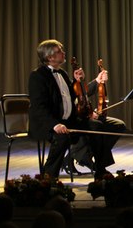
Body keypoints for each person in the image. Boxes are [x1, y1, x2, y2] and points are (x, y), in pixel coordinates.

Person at [28, 39, 121, 179]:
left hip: (68, 121)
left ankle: (100, 170)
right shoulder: (37, 76)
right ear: (50, 57)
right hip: (48, 124)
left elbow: (72, 97)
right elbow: (38, 107)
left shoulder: (63, 73)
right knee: (62, 138)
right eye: (59, 51)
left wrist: (77, 81)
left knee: (96, 126)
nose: (63, 53)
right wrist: (55, 124)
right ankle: (48, 177)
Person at [65, 66, 127, 175]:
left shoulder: (67, 77)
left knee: (119, 125)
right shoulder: (60, 78)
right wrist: (87, 114)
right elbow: (70, 102)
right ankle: (99, 166)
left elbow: (83, 94)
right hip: (75, 118)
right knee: (97, 126)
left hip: (86, 115)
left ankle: (85, 155)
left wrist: (98, 80)